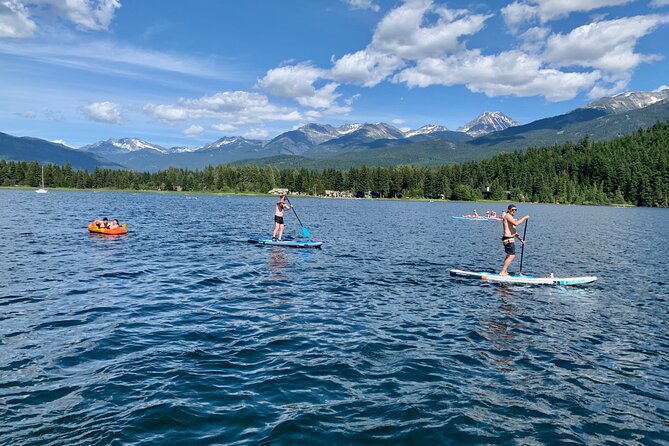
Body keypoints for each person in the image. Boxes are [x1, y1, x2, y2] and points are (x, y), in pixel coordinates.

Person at [500, 204, 529, 276]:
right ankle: (503, 272)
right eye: (512, 209)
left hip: (509, 239)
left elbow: (514, 231)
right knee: (512, 256)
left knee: (509, 255)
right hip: (508, 239)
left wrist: (520, 239)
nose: (514, 211)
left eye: (515, 210)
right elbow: (516, 224)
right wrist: (524, 217)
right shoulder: (507, 216)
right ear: (509, 209)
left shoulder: (510, 218)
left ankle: (504, 271)